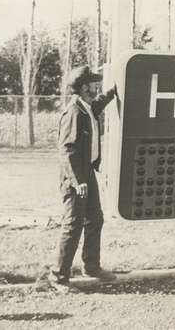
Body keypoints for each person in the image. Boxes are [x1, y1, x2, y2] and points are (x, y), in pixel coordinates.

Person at [47, 65, 118, 287]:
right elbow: (66, 150)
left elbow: (98, 106)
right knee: (73, 224)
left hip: (87, 173)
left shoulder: (86, 107)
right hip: (75, 178)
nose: (98, 86)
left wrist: (113, 92)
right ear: (84, 87)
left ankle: (91, 267)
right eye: (94, 83)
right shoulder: (74, 112)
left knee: (95, 219)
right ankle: (58, 276)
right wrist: (78, 182)